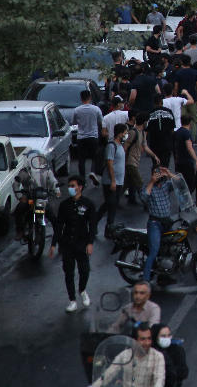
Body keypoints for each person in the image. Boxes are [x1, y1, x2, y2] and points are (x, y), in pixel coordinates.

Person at [50, 175, 96, 312]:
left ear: (80, 187)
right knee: (68, 273)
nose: (70, 188)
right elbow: (59, 226)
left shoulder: (88, 204)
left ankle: (82, 290)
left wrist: (90, 243)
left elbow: (92, 225)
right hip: (67, 244)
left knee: (84, 270)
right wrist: (53, 244)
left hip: (82, 243)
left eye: (73, 186)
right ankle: (72, 300)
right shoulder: (64, 205)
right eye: (69, 186)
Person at [92, 322, 165, 387]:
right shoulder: (124, 355)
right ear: (134, 341)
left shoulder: (158, 357)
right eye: (143, 339)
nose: (147, 343)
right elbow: (108, 375)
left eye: (149, 339)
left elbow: (159, 380)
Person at [141, 166, 176, 283]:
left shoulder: (167, 185)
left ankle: (164, 276)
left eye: (160, 174)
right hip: (154, 223)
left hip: (167, 222)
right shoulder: (149, 187)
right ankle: (145, 280)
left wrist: (169, 174)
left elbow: (181, 185)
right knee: (154, 251)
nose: (159, 176)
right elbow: (144, 197)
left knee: (168, 250)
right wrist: (151, 181)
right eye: (156, 174)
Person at [100, 123, 128, 235]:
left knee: (110, 204)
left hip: (119, 181)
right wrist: (113, 181)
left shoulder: (120, 145)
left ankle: (107, 226)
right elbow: (110, 163)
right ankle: (108, 227)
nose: (126, 135)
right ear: (120, 133)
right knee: (110, 205)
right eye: (125, 133)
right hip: (111, 182)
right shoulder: (111, 146)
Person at [72, 89, 104, 181]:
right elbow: (101, 121)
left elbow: (73, 122)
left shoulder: (77, 110)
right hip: (93, 136)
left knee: (81, 159)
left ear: (81, 99)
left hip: (81, 137)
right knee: (95, 156)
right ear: (90, 98)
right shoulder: (96, 109)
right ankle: (93, 171)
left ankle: (82, 179)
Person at [153, 323, 188, 387]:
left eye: (168, 335)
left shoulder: (177, 350)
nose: (167, 338)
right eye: (163, 336)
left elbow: (183, 372)